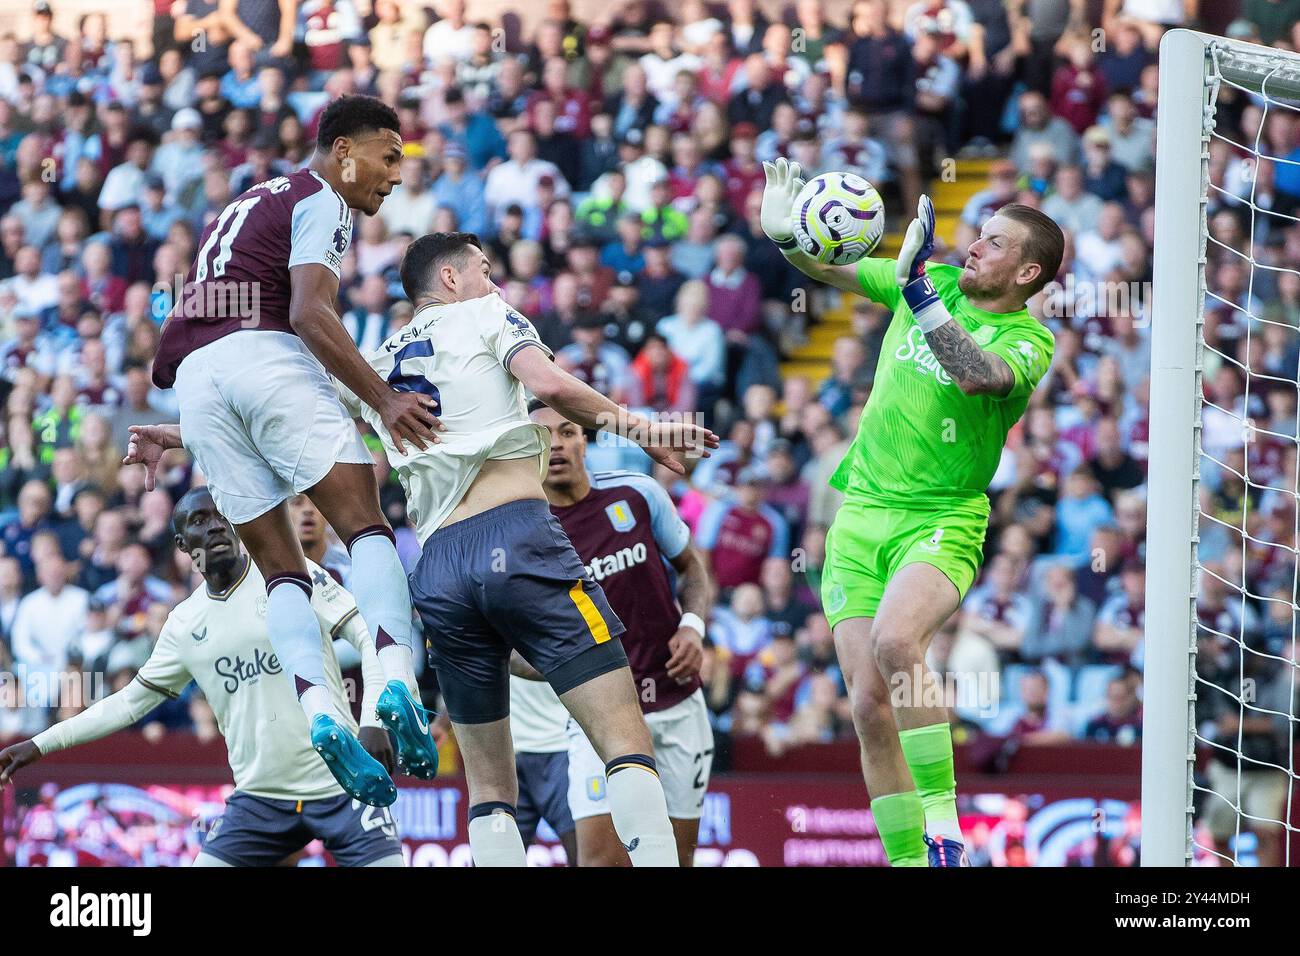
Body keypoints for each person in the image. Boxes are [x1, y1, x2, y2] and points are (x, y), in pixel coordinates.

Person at [129, 96, 442, 807]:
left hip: (197, 384)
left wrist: (182, 431)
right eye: (388, 155)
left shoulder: (246, 203)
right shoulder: (322, 198)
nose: (394, 176)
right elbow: (307, 312)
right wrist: (385, 399)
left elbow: (219, 338)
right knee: (364, 523)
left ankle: (324, 717)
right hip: (265, 354)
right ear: (341, 150)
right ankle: (396, 683)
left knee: (282, 575)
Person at [759, 157, 1061, 866]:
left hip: (942, 517)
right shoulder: (937, 284)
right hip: (859, 516)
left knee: (898, 646)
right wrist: (784, 237)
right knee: (867, 706)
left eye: (992, 242)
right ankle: (906, 861)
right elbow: (829, 270)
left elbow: (977, 374)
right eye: (977, 234)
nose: (972, 246)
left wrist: (919, 293)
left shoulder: (1028, 338)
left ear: (1025, 273)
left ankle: (946, 828)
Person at [0, 488, 404, 868]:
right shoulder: (184, 625)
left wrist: (373, 720)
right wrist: (40, 743)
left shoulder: (289, 574)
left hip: (343, 780)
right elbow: (126, 704)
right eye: (198, 519)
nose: (213, 526)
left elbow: (370, 635)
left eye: (220, 515)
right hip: (259, 801)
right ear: (182, 545)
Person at [529, 402, 717, 866]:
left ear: (584, 441)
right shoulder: (527, 535)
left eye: (568, 431)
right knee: (598, 861)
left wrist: (693, 629)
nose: (556, 444)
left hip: (676, 705)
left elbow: (693, 567)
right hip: (597, 717)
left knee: (673, 859)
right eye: (543, 436)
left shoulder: (638, 493)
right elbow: (525, 651)